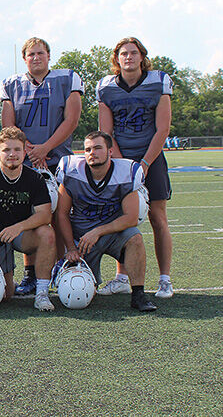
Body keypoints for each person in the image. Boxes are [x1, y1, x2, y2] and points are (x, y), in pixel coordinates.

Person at [0, 37, 83, 295]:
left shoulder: (67, 78)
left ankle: (59, 266)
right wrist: (29, 151)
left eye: (40, 53)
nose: (36, 58)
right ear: (24, 58)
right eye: (31, 54)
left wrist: (45, 148)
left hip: (57, 158)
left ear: (49, 55)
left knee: (59, 216)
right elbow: (9, 127)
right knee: (26, 214)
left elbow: (72, 119)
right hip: (24, 158)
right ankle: (31, 274)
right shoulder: (12, 84)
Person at [97, 37, 174, 299]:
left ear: (142, 56)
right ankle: (121, 277)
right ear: (116, 59)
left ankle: (165, 279)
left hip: (151, 158)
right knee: (122, 217)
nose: (128, 57)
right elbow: (106, 132)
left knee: (157, 218)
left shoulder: (157, 81)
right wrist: (125, 165)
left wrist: (145, 163)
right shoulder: (106, 87)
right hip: (122, 161)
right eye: (123, 53)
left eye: (133, 53)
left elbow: (163, 129)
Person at [55, 131, 157, 311]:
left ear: (110, 151)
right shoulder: (71, 170)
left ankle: (138, 295)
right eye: (87, 149)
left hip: (111, 234)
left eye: (97, 148)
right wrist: (70, 248)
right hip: (82, 241)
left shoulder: (126, 172)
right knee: (81, 296)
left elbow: (131, 218)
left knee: (135, 238)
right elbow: (61, 214)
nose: (91, 153)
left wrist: (98, 231)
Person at [0, 126, 56, 311]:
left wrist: (18, 227)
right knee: (5, 296)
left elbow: (45, 214)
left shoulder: (34, 178)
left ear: (24, 152)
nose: (12, 154)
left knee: (47, 233)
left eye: (17, 149)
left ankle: (42, 293)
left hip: (21, 234)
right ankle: (7, 279)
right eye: (7, 150)